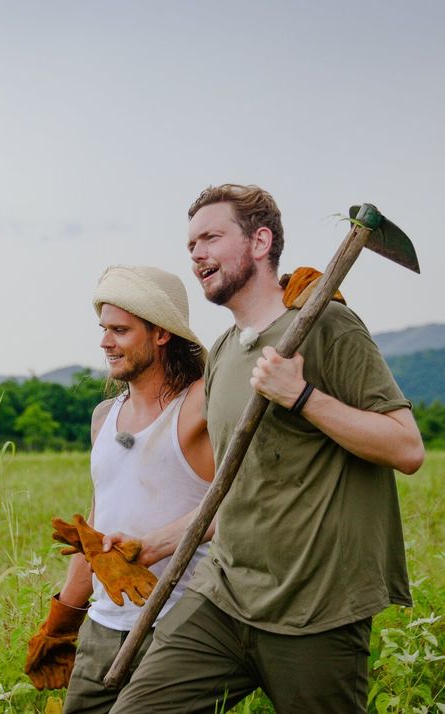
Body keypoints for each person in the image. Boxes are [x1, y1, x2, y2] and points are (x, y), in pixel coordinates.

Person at [112, 184, 425, 712]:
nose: (196, 254)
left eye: (211, 237)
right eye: (190, 244)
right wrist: (151, 547)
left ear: (260, 242)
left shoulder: (328, 326)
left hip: (315, 611)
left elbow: (406, 447)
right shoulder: (223, 353)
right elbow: (232, 493)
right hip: (224, 598)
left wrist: (302, 396)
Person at [25, 265, 217, 713]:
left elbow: (255, 373)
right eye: (103, 329)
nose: (105, 342)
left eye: (120, 330)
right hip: (103, 624)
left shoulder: (200, 406)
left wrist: (293, 314)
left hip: (177, 625)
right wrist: (64, 619)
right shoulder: (104, 415)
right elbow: (96, 525)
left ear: (162, 334)